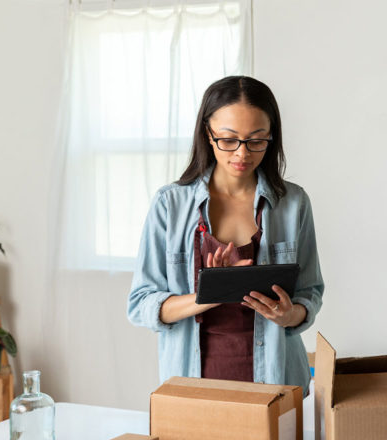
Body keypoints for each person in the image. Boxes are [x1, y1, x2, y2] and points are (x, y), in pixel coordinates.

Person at [127, 76, 323, 395]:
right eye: (229, 139)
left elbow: (310, 292)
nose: (242, 154)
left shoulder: (293, 203)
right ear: (208, 133)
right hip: (191, 386)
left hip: (277, 381)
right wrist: (208, 295)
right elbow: (141, 304)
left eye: (257, 140)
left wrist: (290, 315)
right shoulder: (169, 205)